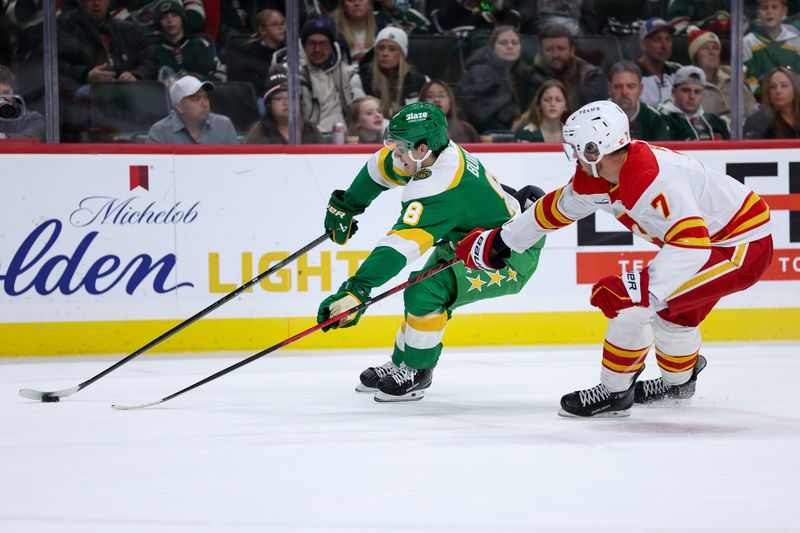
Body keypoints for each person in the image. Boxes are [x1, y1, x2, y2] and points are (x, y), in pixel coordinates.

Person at [456, 100, 773, 418]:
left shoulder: (653, 180)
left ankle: (615, 391)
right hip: (710, 242)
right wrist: (501, 240)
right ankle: (680, 383)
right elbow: (558, 208)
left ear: (598, 147)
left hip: (740, 248)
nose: (576, 157)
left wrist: (639, 287)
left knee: (632, 305)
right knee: (674, 317)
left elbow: (692, 246)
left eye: (581, 149)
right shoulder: (599, 173)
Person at [317, 101, 545, 402]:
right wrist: (348, 203)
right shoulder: (431, 154)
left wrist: (357, 290)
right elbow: (381, 167)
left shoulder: (439, 187)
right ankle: (402, 361)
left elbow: (399, 247)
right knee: (421, 289)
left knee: (424, 291)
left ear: (422, 149)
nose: (396, 153)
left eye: (402, 147)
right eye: (396, 145)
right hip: (469, 244)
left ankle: (417, 370)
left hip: (508, 255)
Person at [57, 0, 158, 141]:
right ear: (80, 2)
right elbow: (54, 65)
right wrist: (86, 74)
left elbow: (150, 60)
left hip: (127, 96)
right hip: (84, 100)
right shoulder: (64, 26)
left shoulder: (127, 29)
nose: (96, 3)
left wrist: (136, 75)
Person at [275, 16, 361, 135]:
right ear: (303, 45)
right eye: (311, 43)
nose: (317, 49)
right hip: (307, 140)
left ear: (331, 47)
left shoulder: (342, 71)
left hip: (341, 138)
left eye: (323, 43)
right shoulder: (289, 72)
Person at [459, 25, 530, 134]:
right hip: (486, 135)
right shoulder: (479, 72)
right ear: (492, 47)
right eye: (503, 43)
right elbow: (480, 114)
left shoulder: (524, 73)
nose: (510, 46)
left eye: (514, 43)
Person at [528, 24, 608, 111]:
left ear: (572, 50)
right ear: (540, 51)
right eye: (549, 49)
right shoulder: (529, 77)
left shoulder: (590, 76)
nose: (555, 55)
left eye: (561, 49)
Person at [352, 26, 428, 118]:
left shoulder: (421, 81)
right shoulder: (359, 80)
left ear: (402, 54)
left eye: (392, 49)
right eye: (381, 48)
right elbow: (360, 117)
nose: (385, 53)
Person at [687, 25, 758, 121]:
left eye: (715, 48)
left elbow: (753, 111)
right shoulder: (688, 87)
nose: (712, 52)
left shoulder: (733, 80)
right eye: (705, 48)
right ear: (695, 56)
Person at [147, 75, 238, 144]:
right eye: (196, 99)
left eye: (205, 97)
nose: (205, 104)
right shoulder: (160, 132)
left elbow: (237, 165)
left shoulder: (223, 125)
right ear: (179, 107)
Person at [152, 0, 226, 82]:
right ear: (159, 22)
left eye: (175, 15)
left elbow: (221, 76)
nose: (170, 20)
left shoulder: (200, 44)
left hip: (203, 92)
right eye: (164, 17)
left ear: (182, 18)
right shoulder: (154, 50)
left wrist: (197, 80)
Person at [244, 69, 322, 144]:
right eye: (279, 98)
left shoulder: (311, 131)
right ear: (269, 104)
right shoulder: (258, 133)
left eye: (291, 97)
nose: (286, 102)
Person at [743, 0, 800, 97]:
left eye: (774, 7)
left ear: (784, 11)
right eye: (764, 8)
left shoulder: (796, 40)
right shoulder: (748, 42)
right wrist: (768, 94)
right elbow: (748, 79)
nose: (769, 12)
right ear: (758, 13)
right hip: (760, 102)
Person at [659, 65, 730, 140]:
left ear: (703, 95)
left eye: (697, 92)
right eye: (686, 90)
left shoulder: (718, 122)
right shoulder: (662, 120)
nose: (692, 97)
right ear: (673, 92)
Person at [607, 60, 671, 142]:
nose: (624, 92)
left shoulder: (654, 119)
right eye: (618, 86)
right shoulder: (595, 117)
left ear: (641, 89)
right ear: (609, 89)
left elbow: (663, 153)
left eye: (631, 86)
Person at [227, 9, 285, 94]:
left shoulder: (286, 50)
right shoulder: (252, 53)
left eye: (283, 24)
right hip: (260, 95)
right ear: (262, 30)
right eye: (275, 24)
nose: (281, 28)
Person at [636, 17, 684, 108]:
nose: (664, 46)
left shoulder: (678, 71)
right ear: (643, 44)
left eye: (668, 39)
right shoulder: (631, 76)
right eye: (657, 40)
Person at [744, 66, 800, 138]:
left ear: (796, 89)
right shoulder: (758, 121)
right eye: (772, 87)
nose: (778, 91)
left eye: (784, 86)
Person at [419, 79, 479, 143]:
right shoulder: (413, 131)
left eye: (442, 96)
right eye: (430, 96)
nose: (436, 100)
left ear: (450, 100)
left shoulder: (466, 129)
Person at [0, 64, 44, 141]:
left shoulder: (32, 119)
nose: (2, 98)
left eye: (6, 92)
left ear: (13, 92)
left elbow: (34, 136)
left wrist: (4, 138)